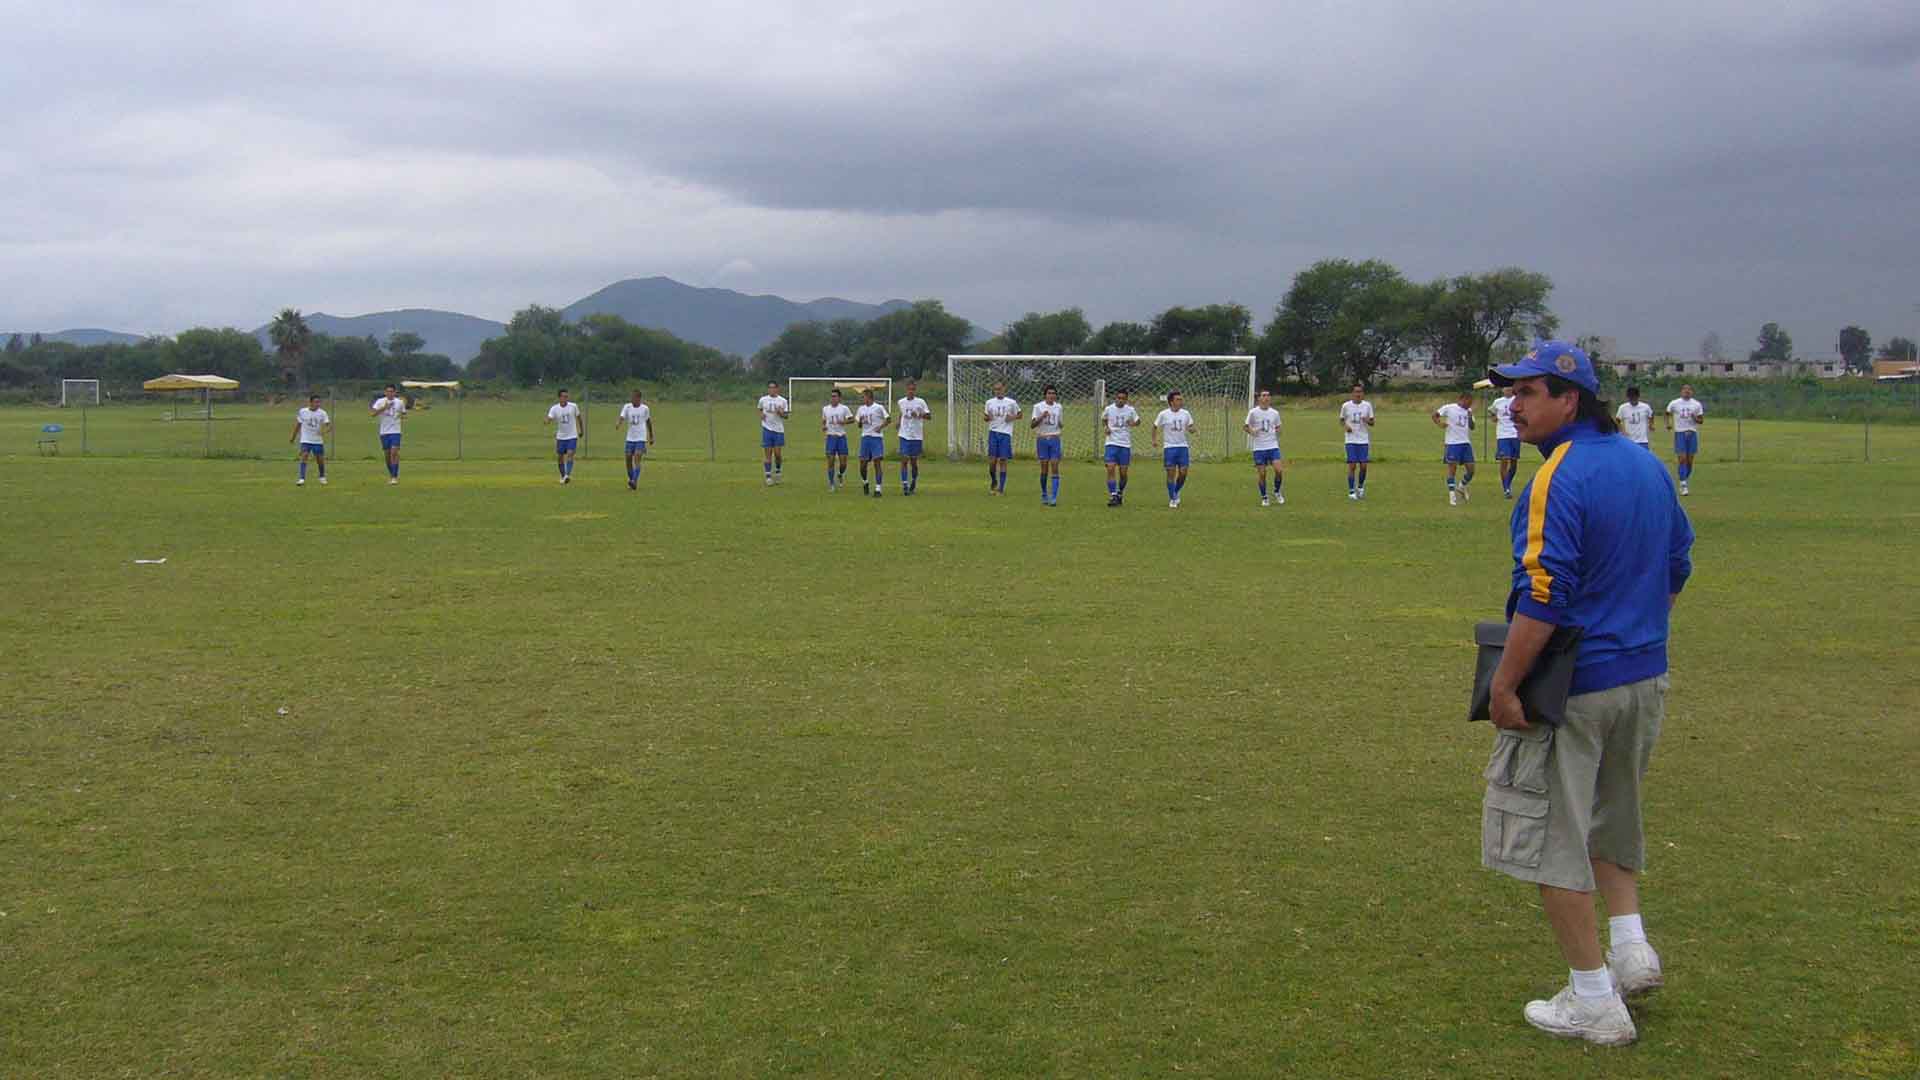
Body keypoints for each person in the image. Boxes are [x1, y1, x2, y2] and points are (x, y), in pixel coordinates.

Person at [1480, 341, 1693, 1047]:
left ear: (1570, 398)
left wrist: (1505, 684)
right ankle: (1633, 948)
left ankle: (1594, 998)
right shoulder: (1646, 463)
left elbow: (1544, 594)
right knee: (1615, 812)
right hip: (1644, 677)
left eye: (1530, 391)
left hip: (1576, 686)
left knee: (1552, 837)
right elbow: (1677, 563)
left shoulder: (1557, 476)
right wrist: (1634, 628)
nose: (1514, 404)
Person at [1153, 390, 1197, 509]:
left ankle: (1176, 491)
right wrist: (1154, 440)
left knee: (1183, 473)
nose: (1180, 401)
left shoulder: (1186, 413)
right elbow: (1155, 426)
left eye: (1181, 399)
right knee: (1171, 474)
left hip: (1183, 447)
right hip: (1169, 447)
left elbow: (1190, 425)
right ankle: (1172, 498)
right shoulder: (1163, 414)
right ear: (1171, 402)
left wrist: (1192, 429)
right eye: (1178, 399)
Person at [1433, 390, 1477, 504]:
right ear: (1462, 399)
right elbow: (1435, 415)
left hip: (1466, 443)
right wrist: (1439, 423)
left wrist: (1470, 417)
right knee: (1452, 469)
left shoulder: (1469, 411)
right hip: (1452, 443)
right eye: (1469, 402)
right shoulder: (1449, 408)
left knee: (1471, 470)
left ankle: (1461, 486)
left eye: (1471, 403)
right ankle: (1452, 495)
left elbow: (1472, 427)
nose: (1470, 405)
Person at [1101, 388, 1141, 507]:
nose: (1120, 400)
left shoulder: (1130, 410)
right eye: (1119, 398)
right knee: (1110, 468)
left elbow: (1138, 421)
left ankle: (1120, 493)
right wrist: (1106, 427)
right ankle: (1113, 495)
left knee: (1123, 473)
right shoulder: (1109, 409)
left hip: (1125, 444)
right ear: (1115, 398)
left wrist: (1133, 423)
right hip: (1111, 443)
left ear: (1126, 399)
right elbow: (1104, 419)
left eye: (1123, 398)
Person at [1243, 389, 1283, 506]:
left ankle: (1277, 491)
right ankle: (1264, 497)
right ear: (1259, 398)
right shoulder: (1253, 412)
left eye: (1268, 395)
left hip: (1273, 446)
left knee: (1279, 471)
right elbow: (1245, 427)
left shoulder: (1275, 413)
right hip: (1259, 448)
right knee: (1262, 474)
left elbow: (1278, 426)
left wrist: (1278, 432)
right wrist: (1252, 431)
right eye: (1264, 395)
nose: (1266, 397)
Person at [1665, 385, 1705, 496]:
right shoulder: (1674, 403)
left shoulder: (1696, 404)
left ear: (1692, 392)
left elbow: (1701, 420)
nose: (1686, 392)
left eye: (1689, 390)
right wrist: (1668, 424)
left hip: (1692, 433)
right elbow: (1667, 413)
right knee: (1682, 459)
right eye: (1684, 390)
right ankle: (1683, 484)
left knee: (1690, 461)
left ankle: (1684, 478)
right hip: (1680, 433)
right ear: (1681, 391)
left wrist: (1695, 418)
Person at [983, 381, 1021, 495]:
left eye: (1000, 389)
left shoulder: (1011, 402)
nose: (998, 391)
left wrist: (1012, 417)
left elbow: (1020, 414)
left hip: (1005, 433)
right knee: (992, 461)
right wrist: (988, 417)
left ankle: (1001, 488)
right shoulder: (989, 402)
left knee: (1003, 460)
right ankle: (994, 480)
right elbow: (985, 417)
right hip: (993, 432)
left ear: (1004, 389)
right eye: (996, 389)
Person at [1030, 384, 1064, 506]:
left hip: (1055, 439)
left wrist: (1060, 424)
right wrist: (1041, 416)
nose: (1051, 395)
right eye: (1049, 393)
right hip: (1042, 439)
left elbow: (1060, 424)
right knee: (1044, 468)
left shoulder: (1059, 407)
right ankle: (1044, 493)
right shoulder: (1038, 407)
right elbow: (1032, 425)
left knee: (1055, 466)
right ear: (1045, 395)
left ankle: (1054, 497)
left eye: (1053, 393)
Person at [1340, 383, 1375, 500]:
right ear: (1352, 393)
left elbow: (1372, 422)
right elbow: (1341, 420)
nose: (1358, 394)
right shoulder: (1346, 406)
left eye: (1360, 392)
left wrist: (1367, 420)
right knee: (1352, 465)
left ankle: (1360, 487)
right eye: (1356, 392)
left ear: (1363, 393)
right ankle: (1351, 491)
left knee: (1364, 466)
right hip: (1350, 440)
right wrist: (1346, 427)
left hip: (1363, 440)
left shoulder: (1367, 406)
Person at [896, 379, 931, 495]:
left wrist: (919, 415)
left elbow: (929, 416)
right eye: (909, 389)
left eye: (913, 389)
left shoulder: (920, 402)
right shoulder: (901, 402)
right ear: (906, 390)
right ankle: (905, 484)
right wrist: (898, 422)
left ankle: (914, 481)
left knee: (914, 462)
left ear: (915, 390)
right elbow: (901, 413)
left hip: (916, 436)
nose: (911, 391)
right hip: (904, 434)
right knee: (904, 459)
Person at [856, 387, 891, 498]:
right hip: (865, 437)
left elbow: (888, 419)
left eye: (864, 397)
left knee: (877, 462)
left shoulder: (878, 407)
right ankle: (865, 482)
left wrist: (880, 427)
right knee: (863, 464)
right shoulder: (861, 409)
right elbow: (859, 425)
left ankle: (878, 489)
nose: (863, 399)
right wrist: (861, 422)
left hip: (876, 438)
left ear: (869, 397)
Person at [289, 393, 330, 486]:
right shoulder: (303, 411)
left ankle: (322, 477)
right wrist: (293, 437)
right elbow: (298, 425)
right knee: (304, 457)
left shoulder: (322, 413)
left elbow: (329, 426)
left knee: (320, 460)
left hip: (317, 441)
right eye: (316, 402)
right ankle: (301, 478)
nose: (318, 404)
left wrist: (323, 432)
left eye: (319, 402)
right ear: (310, 402)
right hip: (305, 440)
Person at [369, 383, 407, 485]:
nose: (390, 393)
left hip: (396, 431)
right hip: (384, 432)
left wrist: (402, 416)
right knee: (387, 455)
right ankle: (392, 474)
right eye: (388, 391)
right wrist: (384, 408)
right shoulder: (380, 402)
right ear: (385, 392)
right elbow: (372, 414)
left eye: (392, 391)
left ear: (395, 392)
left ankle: (394, 477)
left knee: (394, 452)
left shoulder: (400, 402)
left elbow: (404, 414)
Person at [546, 388, 583, 483]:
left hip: (572, 435)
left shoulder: (573, 406)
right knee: (560, 457)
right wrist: (547, 421)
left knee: (570, 454)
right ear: (559, 398)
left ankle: (567, 475)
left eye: (567, 396)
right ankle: (563, 476)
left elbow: (579, 418)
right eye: (563, 396)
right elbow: (549, 417)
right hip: (561, 436)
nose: (565, 398)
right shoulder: (554, 408)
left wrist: (581, 430)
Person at [618, 390, 653, 491]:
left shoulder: (645, 409)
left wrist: (651, 436)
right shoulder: (627, 407)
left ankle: (634, 481)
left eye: (634, 398)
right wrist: (619, 423)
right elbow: (622, 416)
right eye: (631, 397)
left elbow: (648, 422)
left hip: (641, 438)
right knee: (628, 459)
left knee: (637, 458)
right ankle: (631, 479)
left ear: (639, 398)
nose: (632, 399)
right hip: (630, 438)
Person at [1491, 385, 1522, 498]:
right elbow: (1492, 413)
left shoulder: (1517, 400)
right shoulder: (1497, 402)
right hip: (1502, 435)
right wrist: (1494, 418)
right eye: (1505, 388)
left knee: (1513, 463)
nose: (1507, 390)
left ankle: (1508, 483)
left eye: (1509, 388)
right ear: (1502, 389)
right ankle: (1506, 489)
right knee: (1504, 460)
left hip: (1515, 434)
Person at [757, 381, 790, 485]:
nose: (771, 390)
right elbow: (759, 409)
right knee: (768, 453)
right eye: (769, 388)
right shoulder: (763, 399)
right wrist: (761, 414)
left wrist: (781, 413)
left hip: (778, 430)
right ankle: (768, 477)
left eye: (773, 388)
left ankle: (778, 471)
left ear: (777, 389)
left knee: (777, 454)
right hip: (767, 429)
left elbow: (786, 416)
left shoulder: (783, 401)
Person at [821, 388, 852, 492]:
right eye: (831, 396)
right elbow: (824, 420)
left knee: (843, 462)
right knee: (830, 461)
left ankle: (840, 474)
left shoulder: (844, 408)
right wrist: (824, 426)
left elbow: (851, 419)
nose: (832, 398)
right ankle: (831, 484)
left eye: (835, 396)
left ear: (839, 398)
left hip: (841, 437)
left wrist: (844, 422)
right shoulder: (825, 409)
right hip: (830, 437)